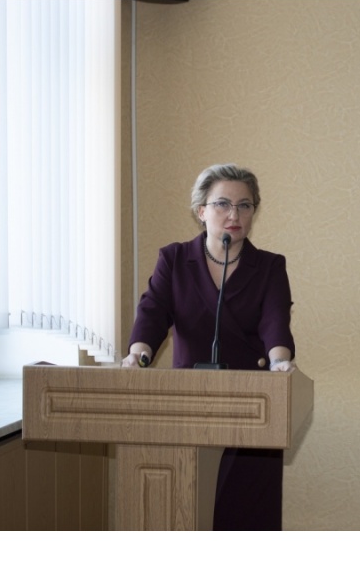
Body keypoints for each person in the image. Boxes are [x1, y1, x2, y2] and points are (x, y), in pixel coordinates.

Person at [122, 163, 296, 531]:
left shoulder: (269, 267)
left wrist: (280, 362)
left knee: (244, 518)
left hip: (252, 409)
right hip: (187, 406)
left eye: (245, 206)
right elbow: (153, 312)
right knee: (187, 511)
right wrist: (138, 355)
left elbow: (275, 322)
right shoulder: (174, 259)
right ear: (201, 211)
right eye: (222, 204)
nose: (234, 215)